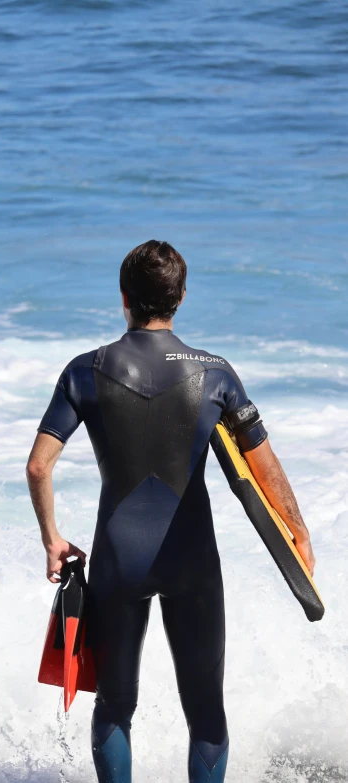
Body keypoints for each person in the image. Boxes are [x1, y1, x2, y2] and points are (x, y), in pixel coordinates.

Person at [26, 240, 315, 783]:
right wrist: (297, 533)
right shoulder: (217, 372)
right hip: (193, 560)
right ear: (180, 298)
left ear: (123, 297)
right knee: (205, 711)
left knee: (114, 705)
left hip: (118, 559)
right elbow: (264, 468)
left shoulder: (83, 371)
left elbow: (39, 467)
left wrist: (52, 538)